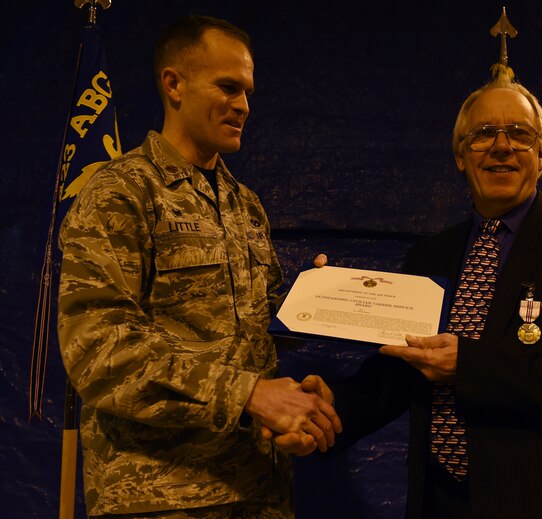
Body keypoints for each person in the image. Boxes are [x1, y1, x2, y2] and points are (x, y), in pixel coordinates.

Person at [279, 63, 542, 517]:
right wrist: (333, 407)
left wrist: (470, 366)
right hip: (442, 504)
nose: (502, 146)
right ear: (460, 156)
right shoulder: (430, 256)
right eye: (483, 134)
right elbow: (404, 370)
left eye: (520, 134)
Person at [57, 15, 340, 517]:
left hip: (258, 490)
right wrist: (251, 395)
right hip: (160, 498)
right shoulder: (121, 193)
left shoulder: (245, 205)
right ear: (174, 84)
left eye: (247, 92)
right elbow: (97, 349)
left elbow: (254, 338)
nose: (244, 106)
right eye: (228, 87)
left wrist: (316, 311)